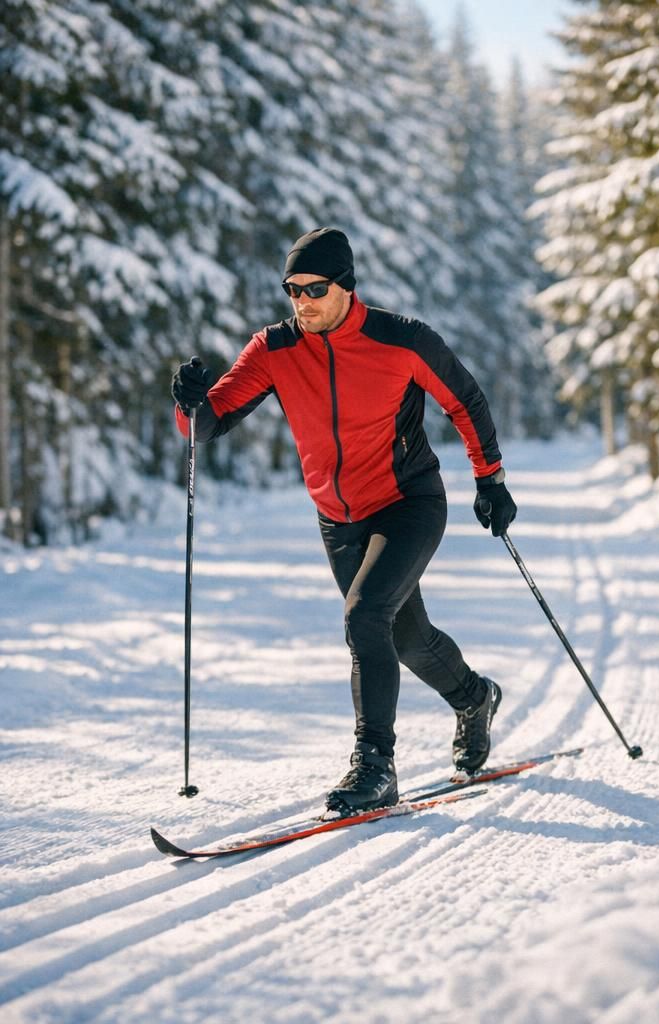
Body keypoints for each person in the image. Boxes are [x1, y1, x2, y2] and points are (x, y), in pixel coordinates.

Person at [171, 227, 520, 814]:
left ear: (347, 285)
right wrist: (187, 403)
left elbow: (465, 398)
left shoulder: (400, 340)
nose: (303, 301)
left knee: (364, 616)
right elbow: (208, 425)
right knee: (405, 638)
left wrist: (490, 478)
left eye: (316, 288)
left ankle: (376, 764)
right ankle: (473, 697)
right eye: (292, 290)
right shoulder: (274, 349)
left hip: (408, 502)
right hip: (339, 519)